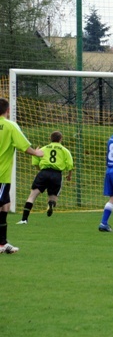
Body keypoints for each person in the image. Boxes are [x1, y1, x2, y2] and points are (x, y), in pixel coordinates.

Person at [0, 98, 44, 254]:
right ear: (7, 110)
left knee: (5, 206)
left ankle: (2, 243)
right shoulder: (10, 126)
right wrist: (37, 152)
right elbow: (23, 145)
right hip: (1, 175)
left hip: (3, 176)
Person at [17, 131, 74, 224]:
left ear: (50, 139)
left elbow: (35, 161)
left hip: (44, 173)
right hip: (56, 174)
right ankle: (50, 205)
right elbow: (70, 165)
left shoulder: (43, 148)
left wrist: (40, 170)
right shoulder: (65, 150)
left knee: (32, 196)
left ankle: (24, 219)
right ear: (61, 139)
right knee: (53, 196)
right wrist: (69, 175)